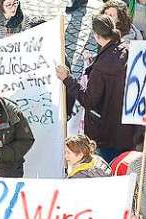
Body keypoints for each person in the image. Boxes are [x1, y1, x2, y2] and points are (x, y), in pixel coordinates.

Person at [56, 17, 134, 163]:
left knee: (106, 173)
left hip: (106, 134)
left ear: (96, 35)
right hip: (127, 131)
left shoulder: (101, 67)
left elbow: (88, 100)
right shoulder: (127, 50)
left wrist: (68, 79)